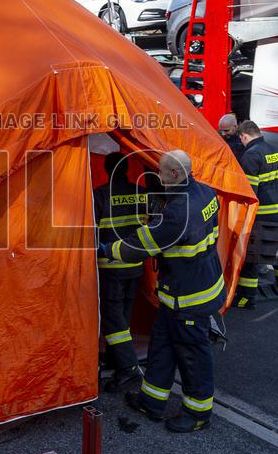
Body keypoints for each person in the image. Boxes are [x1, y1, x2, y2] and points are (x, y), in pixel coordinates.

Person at [99, 150, 223, 433]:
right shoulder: (206, 193)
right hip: (186, 288)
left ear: (176, 174)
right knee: (162, 348)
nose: (159, 177)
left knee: (193, 355)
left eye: (163, 173)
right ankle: (151, 401)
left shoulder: (179, 212)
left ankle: (198, 412)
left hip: (190, 297)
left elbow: (140, 246)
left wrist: (106, 249)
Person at [93, 152, 146, 392]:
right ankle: (116, 360)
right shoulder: (140, 193)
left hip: (111, 267)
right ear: (126, 169)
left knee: (114, 322)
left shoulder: (100, 194)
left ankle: (128, 369)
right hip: (135, 267)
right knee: (123, 316)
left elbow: (91, 232)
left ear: (107, 170)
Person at [233, 120, 278, 308]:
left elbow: (249, 193)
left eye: (241, 140)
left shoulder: (250, 156)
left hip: (260, 215)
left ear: (243, 136)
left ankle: (246, 298)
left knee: (251, 256)